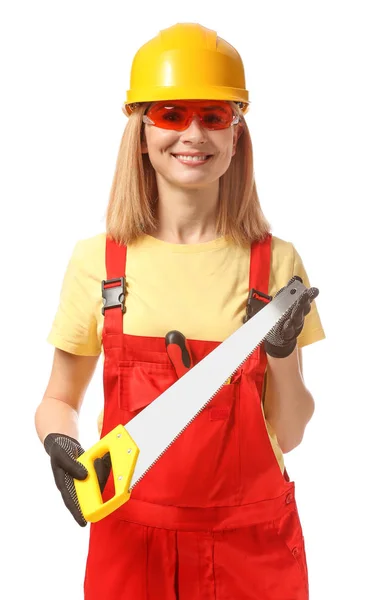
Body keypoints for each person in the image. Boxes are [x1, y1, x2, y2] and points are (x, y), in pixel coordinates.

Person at [35, 22, 325, 600]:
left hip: (251, 551)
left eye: (214, 115)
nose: (193, 133)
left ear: (236, 132)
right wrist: (56, 442)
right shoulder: (99, 263)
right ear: (141, 131)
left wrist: (284, 353)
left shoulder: (275, 264)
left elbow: (288, 434)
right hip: (129, 546)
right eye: (171, 113)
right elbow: (59, 400)